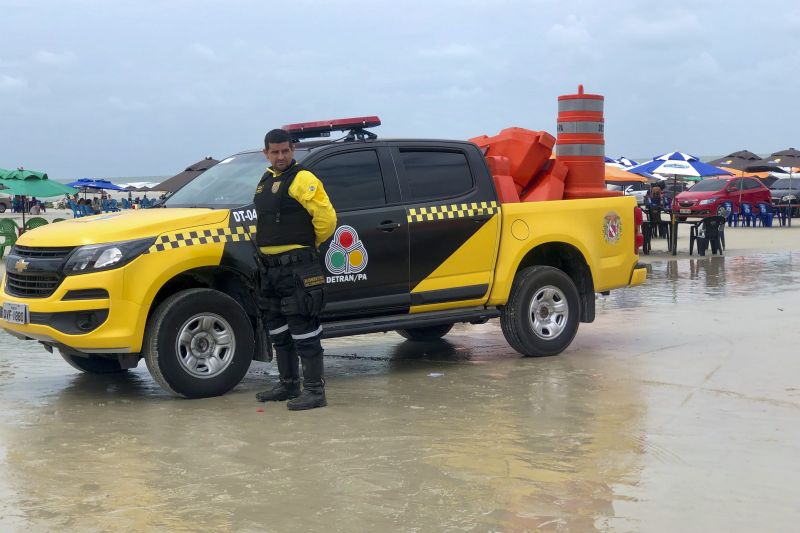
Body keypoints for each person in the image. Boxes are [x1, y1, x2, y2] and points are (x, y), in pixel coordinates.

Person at [254, 128, 337, 410]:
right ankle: (288, 385)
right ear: (266, 152)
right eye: (275, 152)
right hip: (270, 270)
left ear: (293, 151)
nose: (281, 156)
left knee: (304, 328)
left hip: (298, 267)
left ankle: (314, 391)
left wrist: (308, 244)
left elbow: (326, 218)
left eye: (285, 151)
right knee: (277, 328)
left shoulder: (303, 179)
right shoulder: (266, 180)